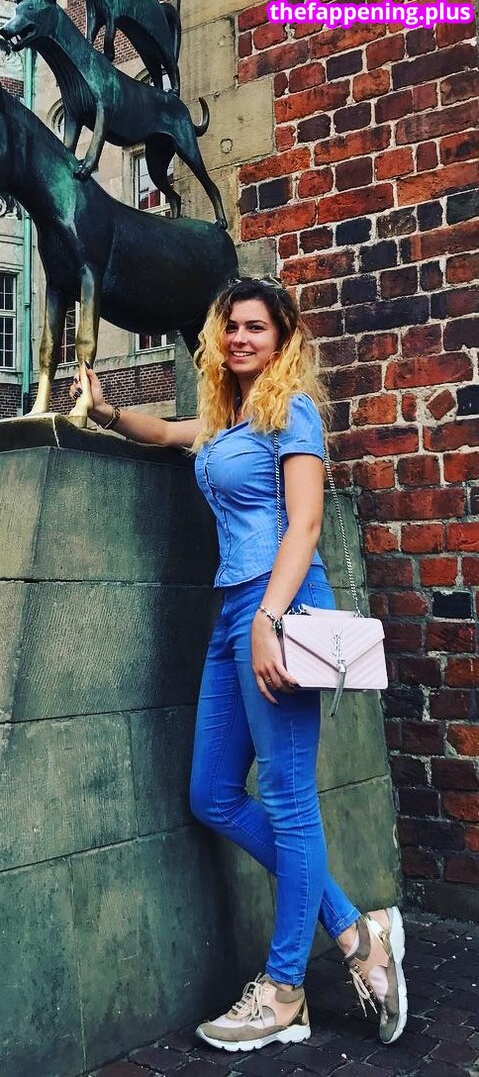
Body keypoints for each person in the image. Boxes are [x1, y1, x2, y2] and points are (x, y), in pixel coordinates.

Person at [70, 277, 407, 1052]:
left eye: (255, 327)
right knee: (213, 795)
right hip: (234, 610)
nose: (240, 338)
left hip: (276, 604)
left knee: (287, 798)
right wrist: (107, 409)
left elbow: (305, 523)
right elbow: (167, 433)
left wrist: (267, 620)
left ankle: (284, 989)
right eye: (230, 327)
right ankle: (354, 930)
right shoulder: (228, 419)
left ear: (282, 337)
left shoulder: (292, 411)